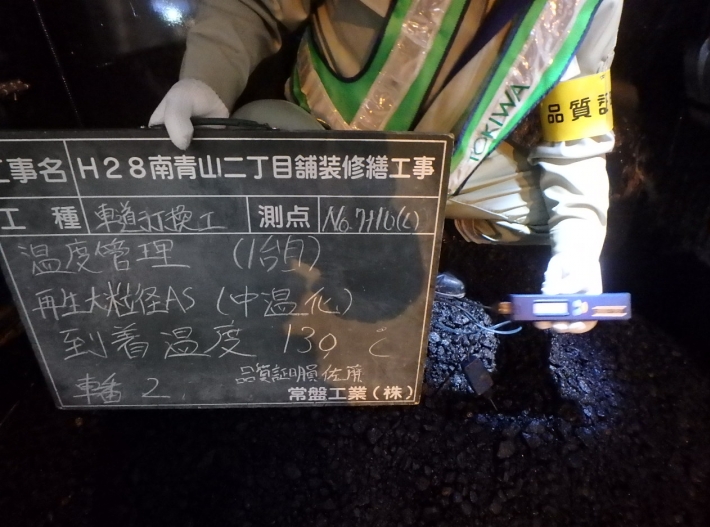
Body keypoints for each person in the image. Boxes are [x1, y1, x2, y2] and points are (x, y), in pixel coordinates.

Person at [150, 0, 624, 333]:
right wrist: (205, 78)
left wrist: (580, 250)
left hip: (440, 173)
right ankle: (320, 246)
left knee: (552, 216)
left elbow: (577, 122)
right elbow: (254, 4)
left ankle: (423, 241)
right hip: (323, 149)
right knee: (264, 134)